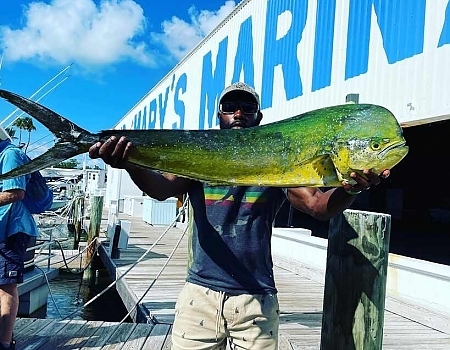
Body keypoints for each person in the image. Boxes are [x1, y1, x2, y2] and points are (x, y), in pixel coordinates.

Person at [89, 82, 390, 350]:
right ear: (219, 116)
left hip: (255, 301)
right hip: (199, 296)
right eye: (229, 107)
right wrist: (129, 163)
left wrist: (351, 189)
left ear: (259, 117)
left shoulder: (279, 156)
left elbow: (316, 206)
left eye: (247, 108)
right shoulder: (199, 157)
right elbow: (160, 189)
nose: (238, 113)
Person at [0, 126, 40, 350]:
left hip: (12, 230)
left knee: (6, 285)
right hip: (2, 229)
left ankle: (4, 342)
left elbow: (15, 192)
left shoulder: (10, 154)